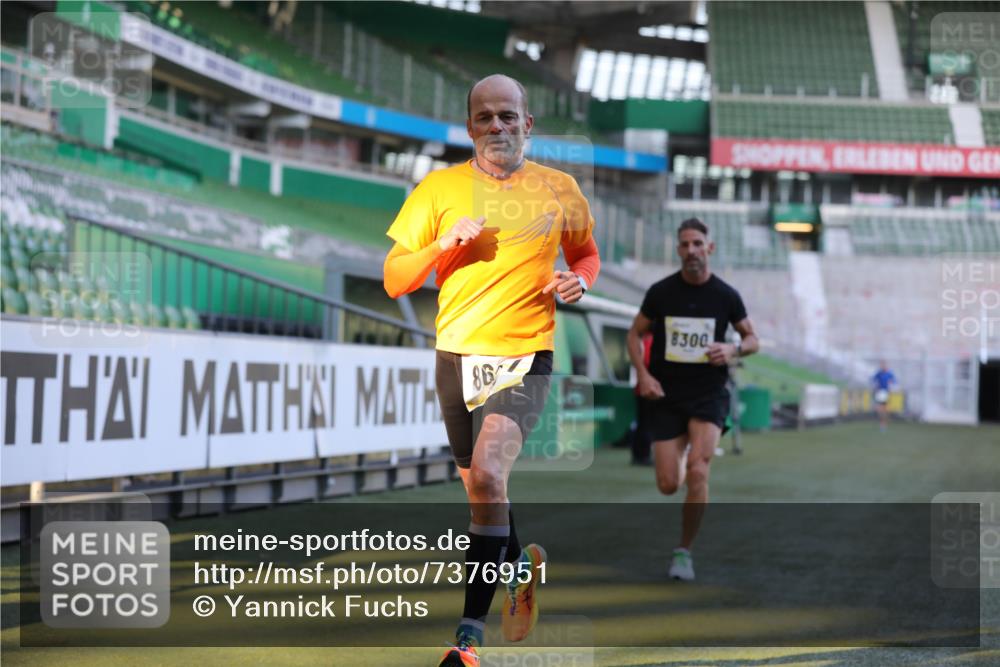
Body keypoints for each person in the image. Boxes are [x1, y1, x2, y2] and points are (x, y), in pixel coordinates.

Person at [382, 74, 600, 667]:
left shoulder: (561, 189)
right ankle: (517, 568)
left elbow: (585, 252)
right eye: (485, 117)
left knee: (488, 475)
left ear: (528, 124)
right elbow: (396, 278)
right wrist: (442, 244)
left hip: (526, 355)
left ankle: (468, 637)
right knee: (481, 493)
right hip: (455, 357)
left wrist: (582, 279)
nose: (497, 126)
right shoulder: (437, 189)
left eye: (508, 115)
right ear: (470, 125)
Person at [626, 218, 758, 581]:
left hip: (708, 395)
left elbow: (752, 340)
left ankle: (683, 552)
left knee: (699, 471)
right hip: (667, 396)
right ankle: (681, 453)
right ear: (678, 250)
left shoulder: (726, 295)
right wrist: (644, 374)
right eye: (685, 245)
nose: (691, 251)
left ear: (709, 248)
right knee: (668, 485)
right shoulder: (660, 292)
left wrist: (732, 348)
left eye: (697, 243)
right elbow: (634, 334)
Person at [872, 361, 897, 431]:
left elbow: (894, 381)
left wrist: (891, 385)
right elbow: (873, 380)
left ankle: (884, 423)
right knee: (879, 409)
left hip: (886, 393)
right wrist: (875, 387)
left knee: (884, 409)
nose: (883, 367)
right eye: (882, 365)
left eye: (884, 365)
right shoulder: (879, 373)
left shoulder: (889, 374)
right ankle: (882, 423)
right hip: (880, 392)